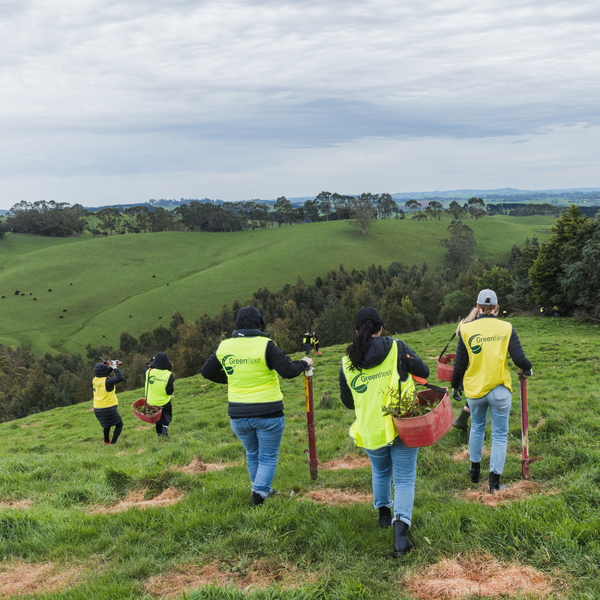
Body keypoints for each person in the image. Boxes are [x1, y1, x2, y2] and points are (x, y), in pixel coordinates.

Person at [339, 307, 429, 557]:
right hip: (402, 424)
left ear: (357, 332)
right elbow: (423, 371)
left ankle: (383, 515)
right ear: (380, 327)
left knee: (380, 472)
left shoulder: (347, 361)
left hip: (371, 428)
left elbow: (347, 401)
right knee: (403, 478)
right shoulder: (397, 347)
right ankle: (400, 537)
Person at [201, 306, 313, 506]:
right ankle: (259, 496)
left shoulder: (224, 346)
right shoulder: (266, 345)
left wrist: (232, 378)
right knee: (268, 456)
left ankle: (260, 488)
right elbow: (287, 370)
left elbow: (207, 371)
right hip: (268, 412)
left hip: (238, 415)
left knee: (253, 454)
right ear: (260, 323)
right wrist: (304, 362)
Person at [451, 289, 532, 493]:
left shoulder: (466, 329)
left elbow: (459, 365)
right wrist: (528, 367)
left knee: (477, 428)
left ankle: (474, 471)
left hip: (475, 391)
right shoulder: (506, 327)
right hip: (499, 389)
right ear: (496, 308)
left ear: (478, 308)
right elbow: (519, 359)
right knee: (499, 435)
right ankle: (494, 484)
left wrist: (455, 385)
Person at [452, 307, 479, 432]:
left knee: (474, 399)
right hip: (473, 369)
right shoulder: (476, 326)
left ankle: (461, 421)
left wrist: (455, 384)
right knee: (478, 400)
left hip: (465, 370)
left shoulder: (464, 323)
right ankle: (475, 431)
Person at [93, 361, 125, 445]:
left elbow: (104, 373)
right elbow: (120, 378)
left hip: (97, 408)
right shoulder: (107, 381)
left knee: (106, 425)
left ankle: (106, 441)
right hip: (108, 407)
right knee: (119, 425)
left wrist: (111, 366)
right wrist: (115, 368)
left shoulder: (95, 380)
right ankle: (113, 443)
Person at [144, 353, 175, 437]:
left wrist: (151, 359)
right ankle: (165, 428)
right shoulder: (168, 374)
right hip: (164, 402)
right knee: (167, 415)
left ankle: (159, 435)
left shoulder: (148, 373)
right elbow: (169, 391)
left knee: (157, 418)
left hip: (152, 402)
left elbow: (145, 367)